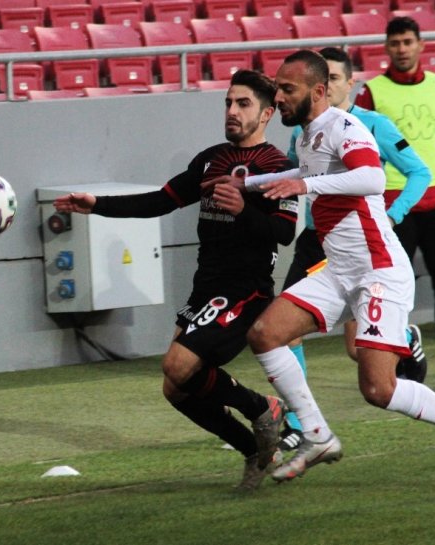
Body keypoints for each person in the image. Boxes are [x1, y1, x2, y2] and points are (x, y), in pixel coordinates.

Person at [206, 49, 435, 488]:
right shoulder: (307, 134)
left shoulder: (346, 126)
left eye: (288, 90)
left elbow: (372, 179)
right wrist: (246, 183)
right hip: (339, 269)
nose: (279, 98)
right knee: (265, 334)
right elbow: (306, 171)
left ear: (318, 91)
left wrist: (303, 184)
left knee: (378, 390)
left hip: (377, 270)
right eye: (278, 88)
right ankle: (318, 435)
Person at [53, 70, 298, 491]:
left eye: (243, 104)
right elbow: (158, 201)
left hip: (246, 288)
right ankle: (257, 452)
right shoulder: (210, 160)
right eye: (228, 102)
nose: (232, 111)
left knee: (178, 365)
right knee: (176, 389)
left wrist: (244, 209)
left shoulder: (278, 167)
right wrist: (96, 205)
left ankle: (264, 407)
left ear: (267, 113)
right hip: (206, 286)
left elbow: (284, 232)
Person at [277, 46, 432, 451]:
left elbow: (417, 171)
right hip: (317, 243)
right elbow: (299, 175)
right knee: (280, 332)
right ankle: (299, 425)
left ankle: (402, 337)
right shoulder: (302, 130)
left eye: (333, 77)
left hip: (361, 245)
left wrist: (395, 215)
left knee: (357, 352)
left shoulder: (368, 124)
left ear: (346, 83)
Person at [354, 16, 435, 396]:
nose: (402, 49)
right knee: (391, 293)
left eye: (408, 41)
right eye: (395, 43)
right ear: (386, 47)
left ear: (421, 44)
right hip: (394, 207)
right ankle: (399, 373)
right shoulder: (371, 92)